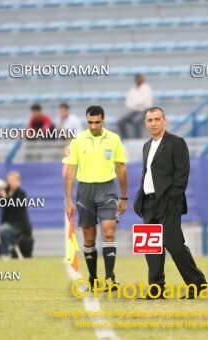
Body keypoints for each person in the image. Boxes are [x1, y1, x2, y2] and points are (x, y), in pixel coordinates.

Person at [133, 107, 207, 299]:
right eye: (150, 120)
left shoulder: (177, 143)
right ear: (146, 123)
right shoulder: (146, 146)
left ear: (165, 120)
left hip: (168, 203)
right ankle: (156, 290)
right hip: (148, 204)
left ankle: (198, 285)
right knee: (152, 248)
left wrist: (172, 200)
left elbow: (182, 175)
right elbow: (146, 174)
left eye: (157, 119)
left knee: (174, 245)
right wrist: (139, 199)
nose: (153, 123)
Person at [63, 105, 128, 289]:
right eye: (90, 122)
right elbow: (70, 171)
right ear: (86, 121)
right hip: (85, 190)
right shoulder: (77, 141)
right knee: (89, 237)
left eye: (97, 122)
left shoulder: (114, 139)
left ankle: (110, 278)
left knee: (108, 232)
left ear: (103, 120)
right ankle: (93, 278)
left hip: (107, 189)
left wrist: (124, 197)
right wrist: (68, 200)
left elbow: (121, 168)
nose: (93, 126)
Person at [0, 171, 33, 260]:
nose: (10, 182)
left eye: (12, 180)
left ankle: (5, 254)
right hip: (5, 223)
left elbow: (15, 207)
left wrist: (6, 198)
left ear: (18, 182)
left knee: (3, 230)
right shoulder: (5, 191)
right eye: (8, 180)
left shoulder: (21, 193)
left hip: (18, 225)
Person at [118, 73, 153, 139]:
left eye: (140, 78)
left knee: (136, 121)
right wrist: (138, 104)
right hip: (134, 111)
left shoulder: (147, 88)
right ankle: (127, 139)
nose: (138, 80)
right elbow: (128, 103)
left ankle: (137, 140)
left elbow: (145, 103)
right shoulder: (132, 90)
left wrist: (136, 104)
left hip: (145, 111)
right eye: (137, 78)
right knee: (121, 121)